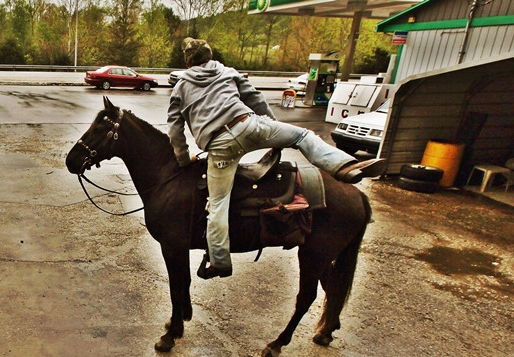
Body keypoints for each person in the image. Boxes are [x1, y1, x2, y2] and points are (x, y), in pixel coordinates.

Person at [166, 38, 387, 280]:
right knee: (303, 135)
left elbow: (175, 129)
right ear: (209, 56)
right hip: (250, 125)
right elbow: (256, 99)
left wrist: (183, 159)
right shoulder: (227, 71)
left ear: (188, 61)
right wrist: (272, 127)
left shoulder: (180, 87)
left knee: (218, 203)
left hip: (220, 146)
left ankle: (220, 261)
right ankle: (344, 166)